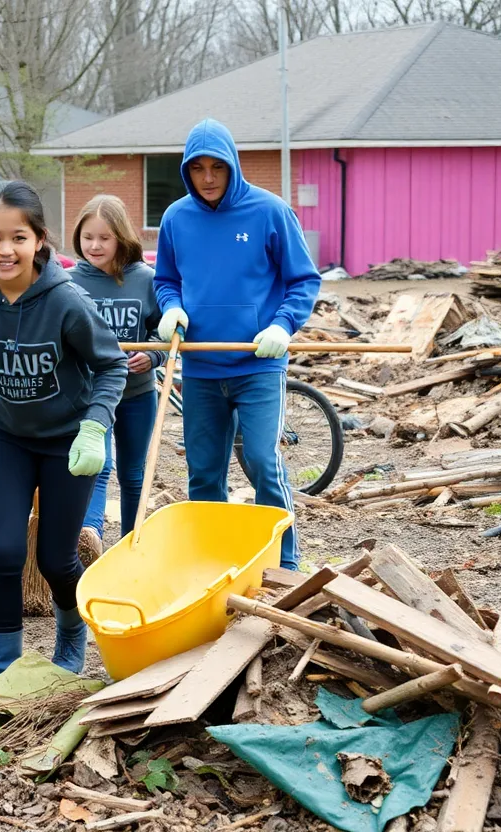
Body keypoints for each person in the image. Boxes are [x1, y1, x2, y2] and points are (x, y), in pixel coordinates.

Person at [0, 181, 128, 681]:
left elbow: (111, 366)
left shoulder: (67, 302)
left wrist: (94, 427)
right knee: (4, 553)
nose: (6, 250)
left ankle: (71, 631)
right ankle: (2, 668)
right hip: (8, 438)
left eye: (19, 237)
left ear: (40, 240)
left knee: (54, 557)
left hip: (68, 443)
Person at [154, 119, 321, 570]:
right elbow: (166, 279)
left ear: (233, 167)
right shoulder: (175, 218)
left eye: (218, 168)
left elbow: (303, 280)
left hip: (259, 365)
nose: (208, 178)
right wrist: (170, 307)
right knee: (204, 473)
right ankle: (212, 561)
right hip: (202, 368)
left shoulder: (270, 212)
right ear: (187, 171)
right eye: (198, 169)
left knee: (264, 464)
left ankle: (284, 563)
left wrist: (284, 326)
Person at [70, 195, 166, 554]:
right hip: (90, 395)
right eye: (87, 237)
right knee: (99, 464)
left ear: (121, 238)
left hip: (138, 394)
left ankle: (131, 548)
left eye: (104, 238)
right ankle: (89, 537)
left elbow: (166, 334)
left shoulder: (146, 280)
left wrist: (153, 355)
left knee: (133, 473)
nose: (95, 246)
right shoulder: (68, 283)